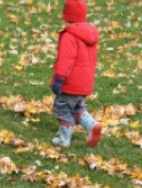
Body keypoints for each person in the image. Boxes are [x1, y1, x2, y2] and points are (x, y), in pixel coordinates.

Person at [50, 0, 102, 148]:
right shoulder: (89, 33)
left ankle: (64, 139)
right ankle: (92, 126)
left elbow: (65, 60)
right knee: (77, 107)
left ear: (66, 17)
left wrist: (59, 79)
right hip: (84, 83)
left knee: (62, 107)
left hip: (70, 83)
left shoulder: (69, 36)